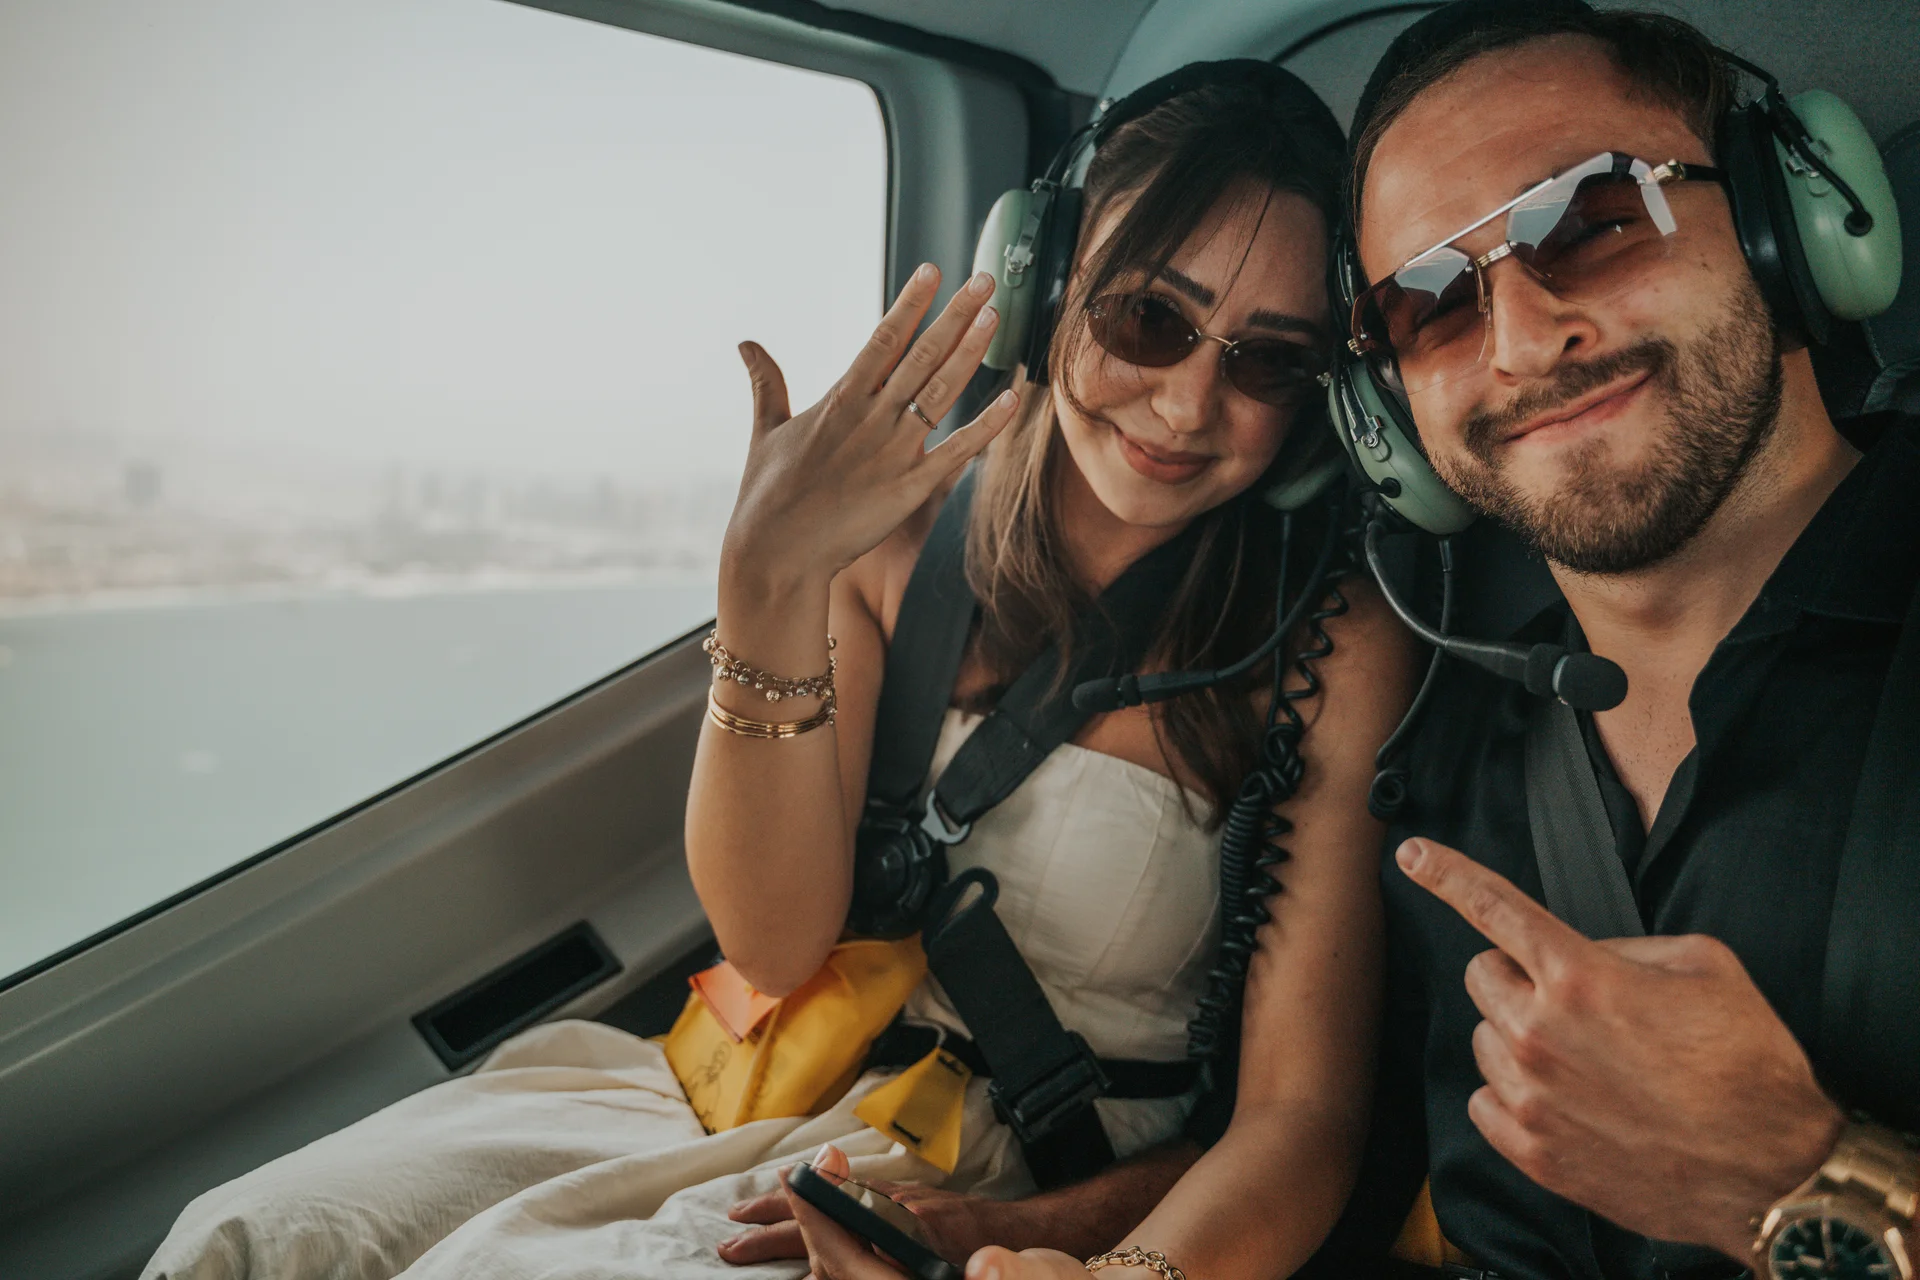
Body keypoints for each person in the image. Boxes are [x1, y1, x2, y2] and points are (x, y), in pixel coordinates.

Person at [144, 64, 1416, 1280]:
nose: (1190, 404)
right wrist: (765, 583)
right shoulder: (897, 526)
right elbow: (772, 935)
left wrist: (1058, 1245)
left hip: (1023, 1170)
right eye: (1149, 317)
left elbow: (1301, 1121)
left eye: (1267, 361)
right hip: (719, 1085)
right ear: (1041, 284)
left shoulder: (1327, 633)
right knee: (252, 1231)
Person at [799, 3, 1919, 1279]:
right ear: (1382, 411)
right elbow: (1344, 1158)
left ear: (1790, 219)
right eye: (1433, 300)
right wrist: (1061, 1252)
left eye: (1597, 221)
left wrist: (1806, 1183)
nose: (1520, 337)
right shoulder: (1451, 762)